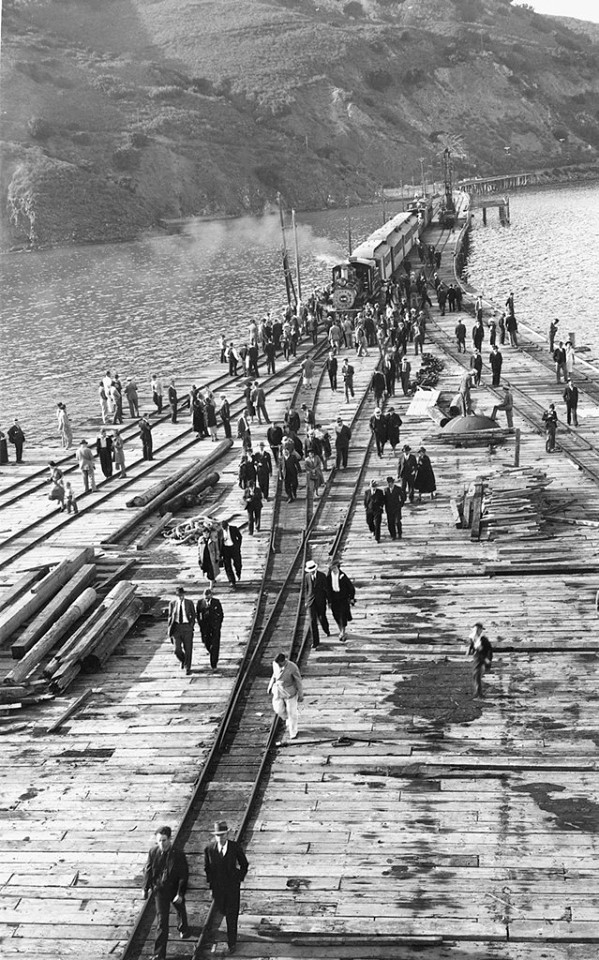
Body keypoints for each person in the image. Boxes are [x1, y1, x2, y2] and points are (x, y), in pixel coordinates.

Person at [143, 825, 190, 958]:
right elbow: (147, 870)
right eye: (159, 841)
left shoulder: (178, 854)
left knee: (180, 909)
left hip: (175, 888)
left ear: (169, 839)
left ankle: (183, 928)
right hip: (160, 890)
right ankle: (159, 955)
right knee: (162, 922)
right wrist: (145, 888)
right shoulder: (153, 852)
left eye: (164, 841)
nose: (161, 844)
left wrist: (180, 893)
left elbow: (183, 875)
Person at [204, 821, 249, 955]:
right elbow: (207, 868)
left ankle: (232, 942)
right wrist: (211, 884)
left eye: (223, 835)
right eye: (218, 835)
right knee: (221, 911)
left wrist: (239, 878)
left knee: (231, 916)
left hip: (232, 888)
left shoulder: (235, 847)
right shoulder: (209, 849)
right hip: (218, 889)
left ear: (227, 834)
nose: (221, 838)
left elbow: (244, 864)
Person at [267, 652, 304, 740]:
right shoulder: (275, 664)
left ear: (284, 661)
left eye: (280, 663)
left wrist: (301, 694)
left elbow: (298, 681)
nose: (278, 665)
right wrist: (270, 686)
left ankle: (293, 732)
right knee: (278, 709)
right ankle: (287, 718)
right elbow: (274, 675)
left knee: (292, 713)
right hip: (278, 690)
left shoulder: (292, 667)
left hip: (289, 692)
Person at [167, 586, 196, 675]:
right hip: (176, 628)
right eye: (179, 595)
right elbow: (170, 617)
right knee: (177, 650)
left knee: (188, 649)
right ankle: (183, 660)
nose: (181, 597)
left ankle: (188, 667)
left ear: (184, 595)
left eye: (182, 595)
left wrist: (191, 625)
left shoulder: (189, 603)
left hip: (187, 627)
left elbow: (194, 615)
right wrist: (169, 630)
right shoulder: (172, 604)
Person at [325, 560, 356, 642]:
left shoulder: (342, 576)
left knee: (343, 616)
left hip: (343, 599)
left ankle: (342, 632)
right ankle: (341, 630)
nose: (334, 570)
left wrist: (351, 598)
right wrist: (329, 601)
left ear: (338, 567)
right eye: (332, 569)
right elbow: (327, 590)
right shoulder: (328, 577)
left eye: (335, 568)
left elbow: (351, 588)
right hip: (334, 599)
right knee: (336, 615)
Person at [196, 587, 224, 670]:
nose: (207, 600)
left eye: (208, 598)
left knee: (215, 645)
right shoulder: (200, 603)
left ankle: (214, 663)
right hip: (205, 627)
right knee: (207, 643)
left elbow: (221, 614)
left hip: (215, 627)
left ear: (211, 596)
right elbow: (198, 614)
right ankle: (212, 653)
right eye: (205, 598)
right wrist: (200, 624)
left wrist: (218, 624)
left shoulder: (216, 602)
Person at [304, 559, 330, 649]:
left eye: (312, 570)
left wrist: (328, 600)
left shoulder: (322, 576)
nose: (311, 572)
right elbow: (306, 589)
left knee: (322, 617)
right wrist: (306, 601)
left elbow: (326, 589)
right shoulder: (307, 576)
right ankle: (315, 641)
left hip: (321, 600)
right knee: (312, 621)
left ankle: (326, 630)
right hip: (311, 601)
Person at [466, 623, 493, 699]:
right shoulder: (472, 638)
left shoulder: (483, 639)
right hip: (477, 658)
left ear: (481, 630)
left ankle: (478, 693)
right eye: (476, 629)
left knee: (477, 674)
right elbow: (471, 645)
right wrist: (470, 650)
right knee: (476, 675)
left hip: (483, 658)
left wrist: (488, 659)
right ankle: (478, 692)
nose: (477, 631)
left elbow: (489, 649)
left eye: (478, 629)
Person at [221, 520, 243, 586]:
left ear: (228, 526)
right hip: (225, 549)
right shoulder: (220, 532)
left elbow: (240, 537)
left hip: (234, 548)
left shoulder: (233, 529)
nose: (224, 529)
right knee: (227, 566)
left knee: (237, 563)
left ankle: (238, 572)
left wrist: (238, 546)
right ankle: (231, 581)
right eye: (223, 528)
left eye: (225, 528)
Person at [364, 479, 385, 543]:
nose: (373, 488)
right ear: (370, 486)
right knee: (369, 522)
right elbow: (365, 500)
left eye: (374, 486)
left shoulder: (380, 492)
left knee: (377, 524)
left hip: (377, 510)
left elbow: (383, 500)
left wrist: (381, 506)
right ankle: (373, 530)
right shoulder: (367, 492)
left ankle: (377, 538)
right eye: (372, 486)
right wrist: (366, 507)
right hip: (369, 510)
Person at [383, 475, 403, 540]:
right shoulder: (385, 490)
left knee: (397, 522)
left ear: (393, 483)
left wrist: (401, 504)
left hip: (397, 508)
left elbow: (403, 497)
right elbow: (384, 500)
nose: (389, 484)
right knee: (390, 523)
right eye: (388, 483)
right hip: (389, 509)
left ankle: (399, 533)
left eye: (390, 483)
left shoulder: (398, 489)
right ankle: (393, 535)